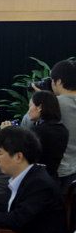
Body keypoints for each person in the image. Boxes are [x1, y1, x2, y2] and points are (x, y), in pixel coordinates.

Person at [50, 59, 76, 192]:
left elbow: (28, 124)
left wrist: (39, 99)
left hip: (61, 173)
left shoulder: (54, 103)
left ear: (59, 81)